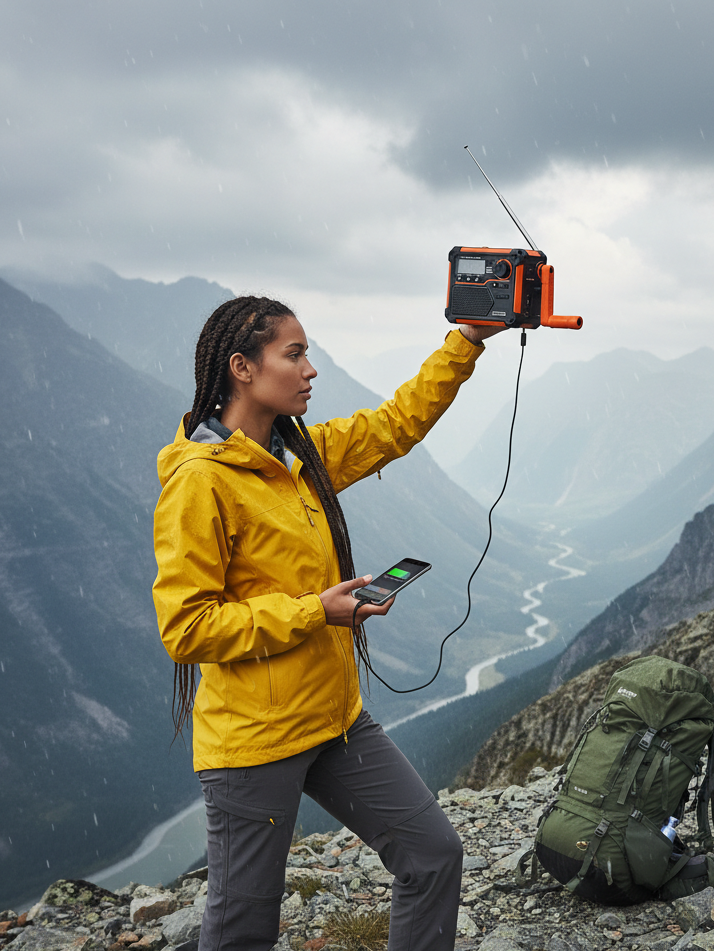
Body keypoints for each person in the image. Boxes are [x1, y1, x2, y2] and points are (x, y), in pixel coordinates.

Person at [152, 296, 503, 951]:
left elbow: (397, 424)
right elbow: (187, 627)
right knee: (241, 927)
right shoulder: (201, 481)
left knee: (432, 853)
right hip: (255, 740)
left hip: (335, 719)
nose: (311, 369)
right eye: (294, 354)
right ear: (242, 368)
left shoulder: (296, 457)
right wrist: (318, 611)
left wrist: (469, 340)